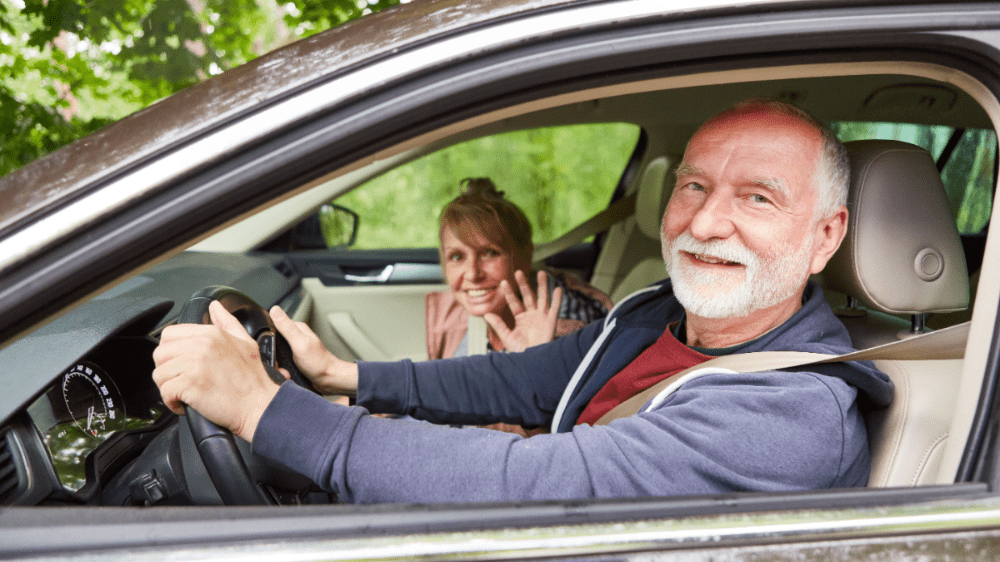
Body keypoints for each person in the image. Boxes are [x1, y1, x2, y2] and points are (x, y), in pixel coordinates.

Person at [153, 99, 894, 504]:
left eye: (756, 198)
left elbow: (537, 482)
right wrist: (348, 376)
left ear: (826, 237)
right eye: (693, 186)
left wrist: (265, 410)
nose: (704, 222)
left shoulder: (790, 412)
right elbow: (523, 379)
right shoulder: (656, 315)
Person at [429, 177, 612, 359]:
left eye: (489, 253)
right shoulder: (458, 318)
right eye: (456, 257)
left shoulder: (570, 323)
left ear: (524, 257)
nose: (472, 273)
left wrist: (537, 358)